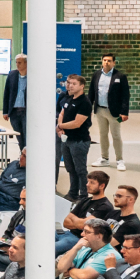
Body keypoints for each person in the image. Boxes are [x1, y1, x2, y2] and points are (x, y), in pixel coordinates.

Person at [55, 171, 117, 255]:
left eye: (92, 183)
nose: (87, 184)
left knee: (49, 248)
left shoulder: (105, 206)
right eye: (88, 182)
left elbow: (83, 225)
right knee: (38, 240)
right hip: (66, 233)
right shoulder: (85, 200)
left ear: (102, 186)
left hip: (78, 239)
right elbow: (66, 222)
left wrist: (75, 220)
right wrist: (80, 222)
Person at [90, 53, 131, 170]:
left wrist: (124, 112)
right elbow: (92, 92)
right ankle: (104, 158)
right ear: (101, 61)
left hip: (114, 112)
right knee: (103, 135)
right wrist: (89, 108)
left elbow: (125, 96)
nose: (106, 62)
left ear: (114, 63)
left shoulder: (120, 76)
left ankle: (119, 160)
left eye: (109, 61)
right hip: (100, 110)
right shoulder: (97, 74)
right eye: (104, 60)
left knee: (116, 135)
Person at [57, 73, 94, 201]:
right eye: (68, 83)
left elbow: (77, 123)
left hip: (79, 141)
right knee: (70, 169)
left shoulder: (85, 102)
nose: (69, 86)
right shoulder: (68, 98)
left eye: (73, 84)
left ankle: (83, 195)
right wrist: (60, 126)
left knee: (80, 170)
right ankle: (72, 193)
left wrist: (61, 126)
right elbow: (62, 113)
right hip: (66, 140)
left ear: (82, 86)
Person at [3, 53, 29, 140]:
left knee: (27, 136)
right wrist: (5, 111)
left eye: (20, 62)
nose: (17, 65)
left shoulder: (32, 77)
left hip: (26, 111)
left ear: (26, 63)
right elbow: (7, 93)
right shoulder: (12, 75)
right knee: (19, 136)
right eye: (16, 62)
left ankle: (27, 153)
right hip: (14, 111)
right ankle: (22, 152)